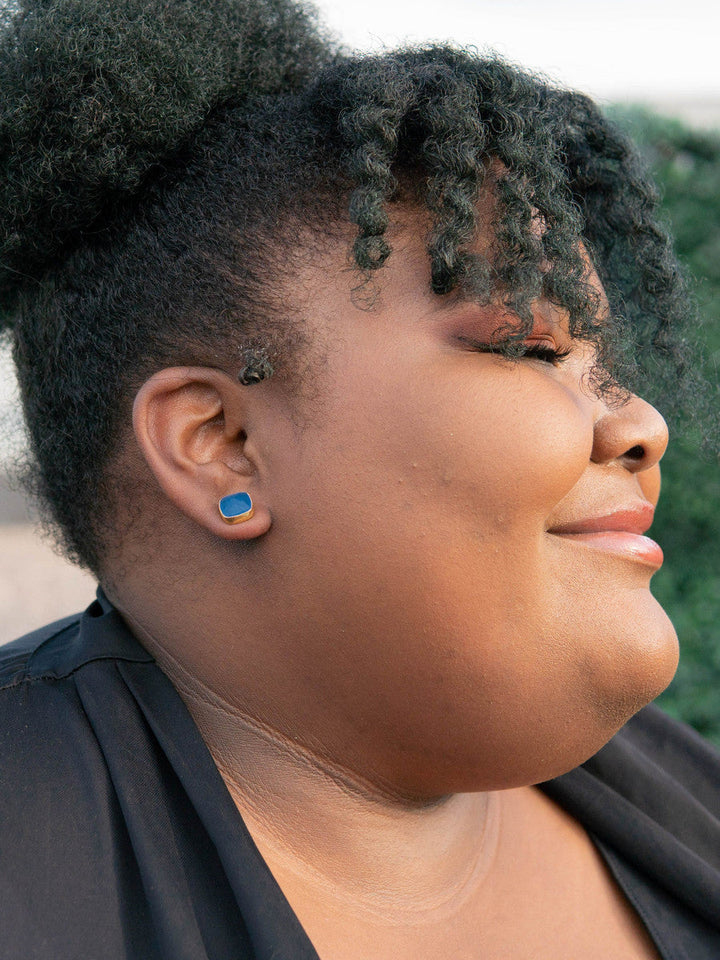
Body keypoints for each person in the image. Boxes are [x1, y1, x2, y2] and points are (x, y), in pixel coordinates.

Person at [1, 0, 719, 957]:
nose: (641, 425)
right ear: (224, 444)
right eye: (531, 349)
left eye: (604, 367)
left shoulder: (684, 800)